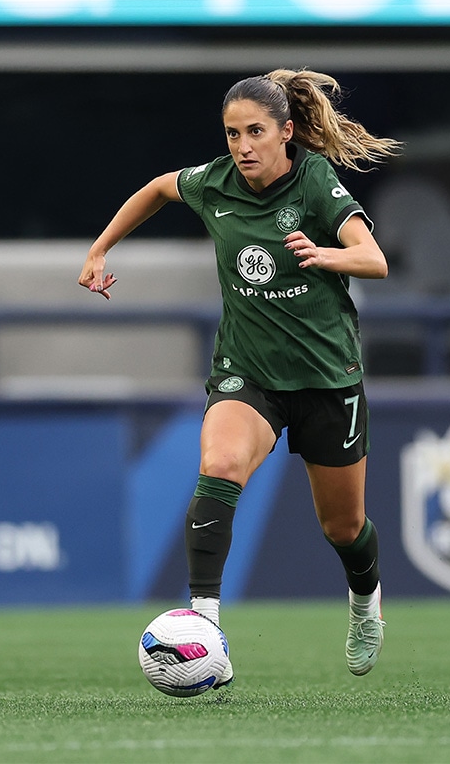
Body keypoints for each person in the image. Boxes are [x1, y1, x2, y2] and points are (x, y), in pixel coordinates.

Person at [78, 68, 402, 687]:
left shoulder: (315, 183)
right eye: (232, 134)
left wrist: (327, 254)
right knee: (220, 463)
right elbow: (157, 188)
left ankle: (365, 602)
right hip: (248, 372)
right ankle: (206, 628)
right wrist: (100, 250)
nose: (243, 146)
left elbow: (375, 260)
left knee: (343, 527)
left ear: (286, 132)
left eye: (255, 132)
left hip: (327, 378)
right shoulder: (215, 183)